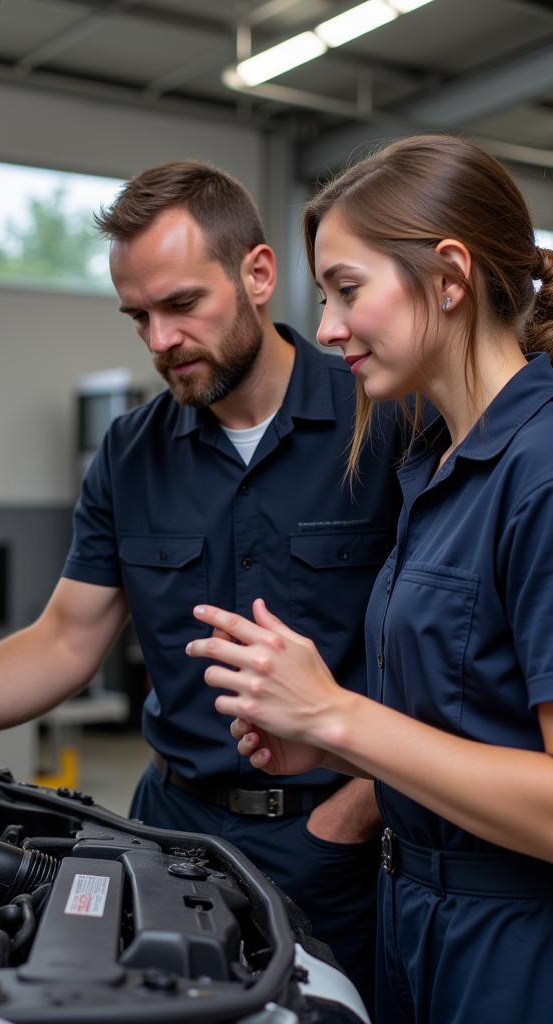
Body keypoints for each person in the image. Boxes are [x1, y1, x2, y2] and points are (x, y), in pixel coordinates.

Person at [0, 160, 405, 999]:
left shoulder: (383, 423)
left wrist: (351, 814)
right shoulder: (129, 458)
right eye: (137, 317)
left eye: (181, 306)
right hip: (173, 832)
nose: (159, 340)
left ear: (258, 274)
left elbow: (436, 659)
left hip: (337, 848)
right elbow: (64, 642)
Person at [189, 134, 553, 1024]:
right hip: (415, 923)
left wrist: (337, 713)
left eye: (348, 290)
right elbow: (472, 719)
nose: (326, 329)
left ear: (450, 277)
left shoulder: (540, 470)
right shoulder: (435, 465)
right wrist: (333, 746)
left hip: (516, 950)